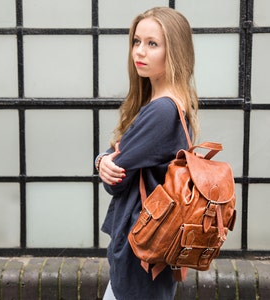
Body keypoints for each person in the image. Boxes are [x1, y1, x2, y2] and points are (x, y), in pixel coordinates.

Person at [95, 7, 199, 300]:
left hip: (141, 255)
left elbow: (114, 181)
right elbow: (119, 155)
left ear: (175, 51)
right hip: (153, 254)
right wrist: (103, 159)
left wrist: (105, 161)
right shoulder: (172, 103)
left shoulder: (162, 110)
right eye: (136, 41)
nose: (139, 51)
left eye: (152, 44)